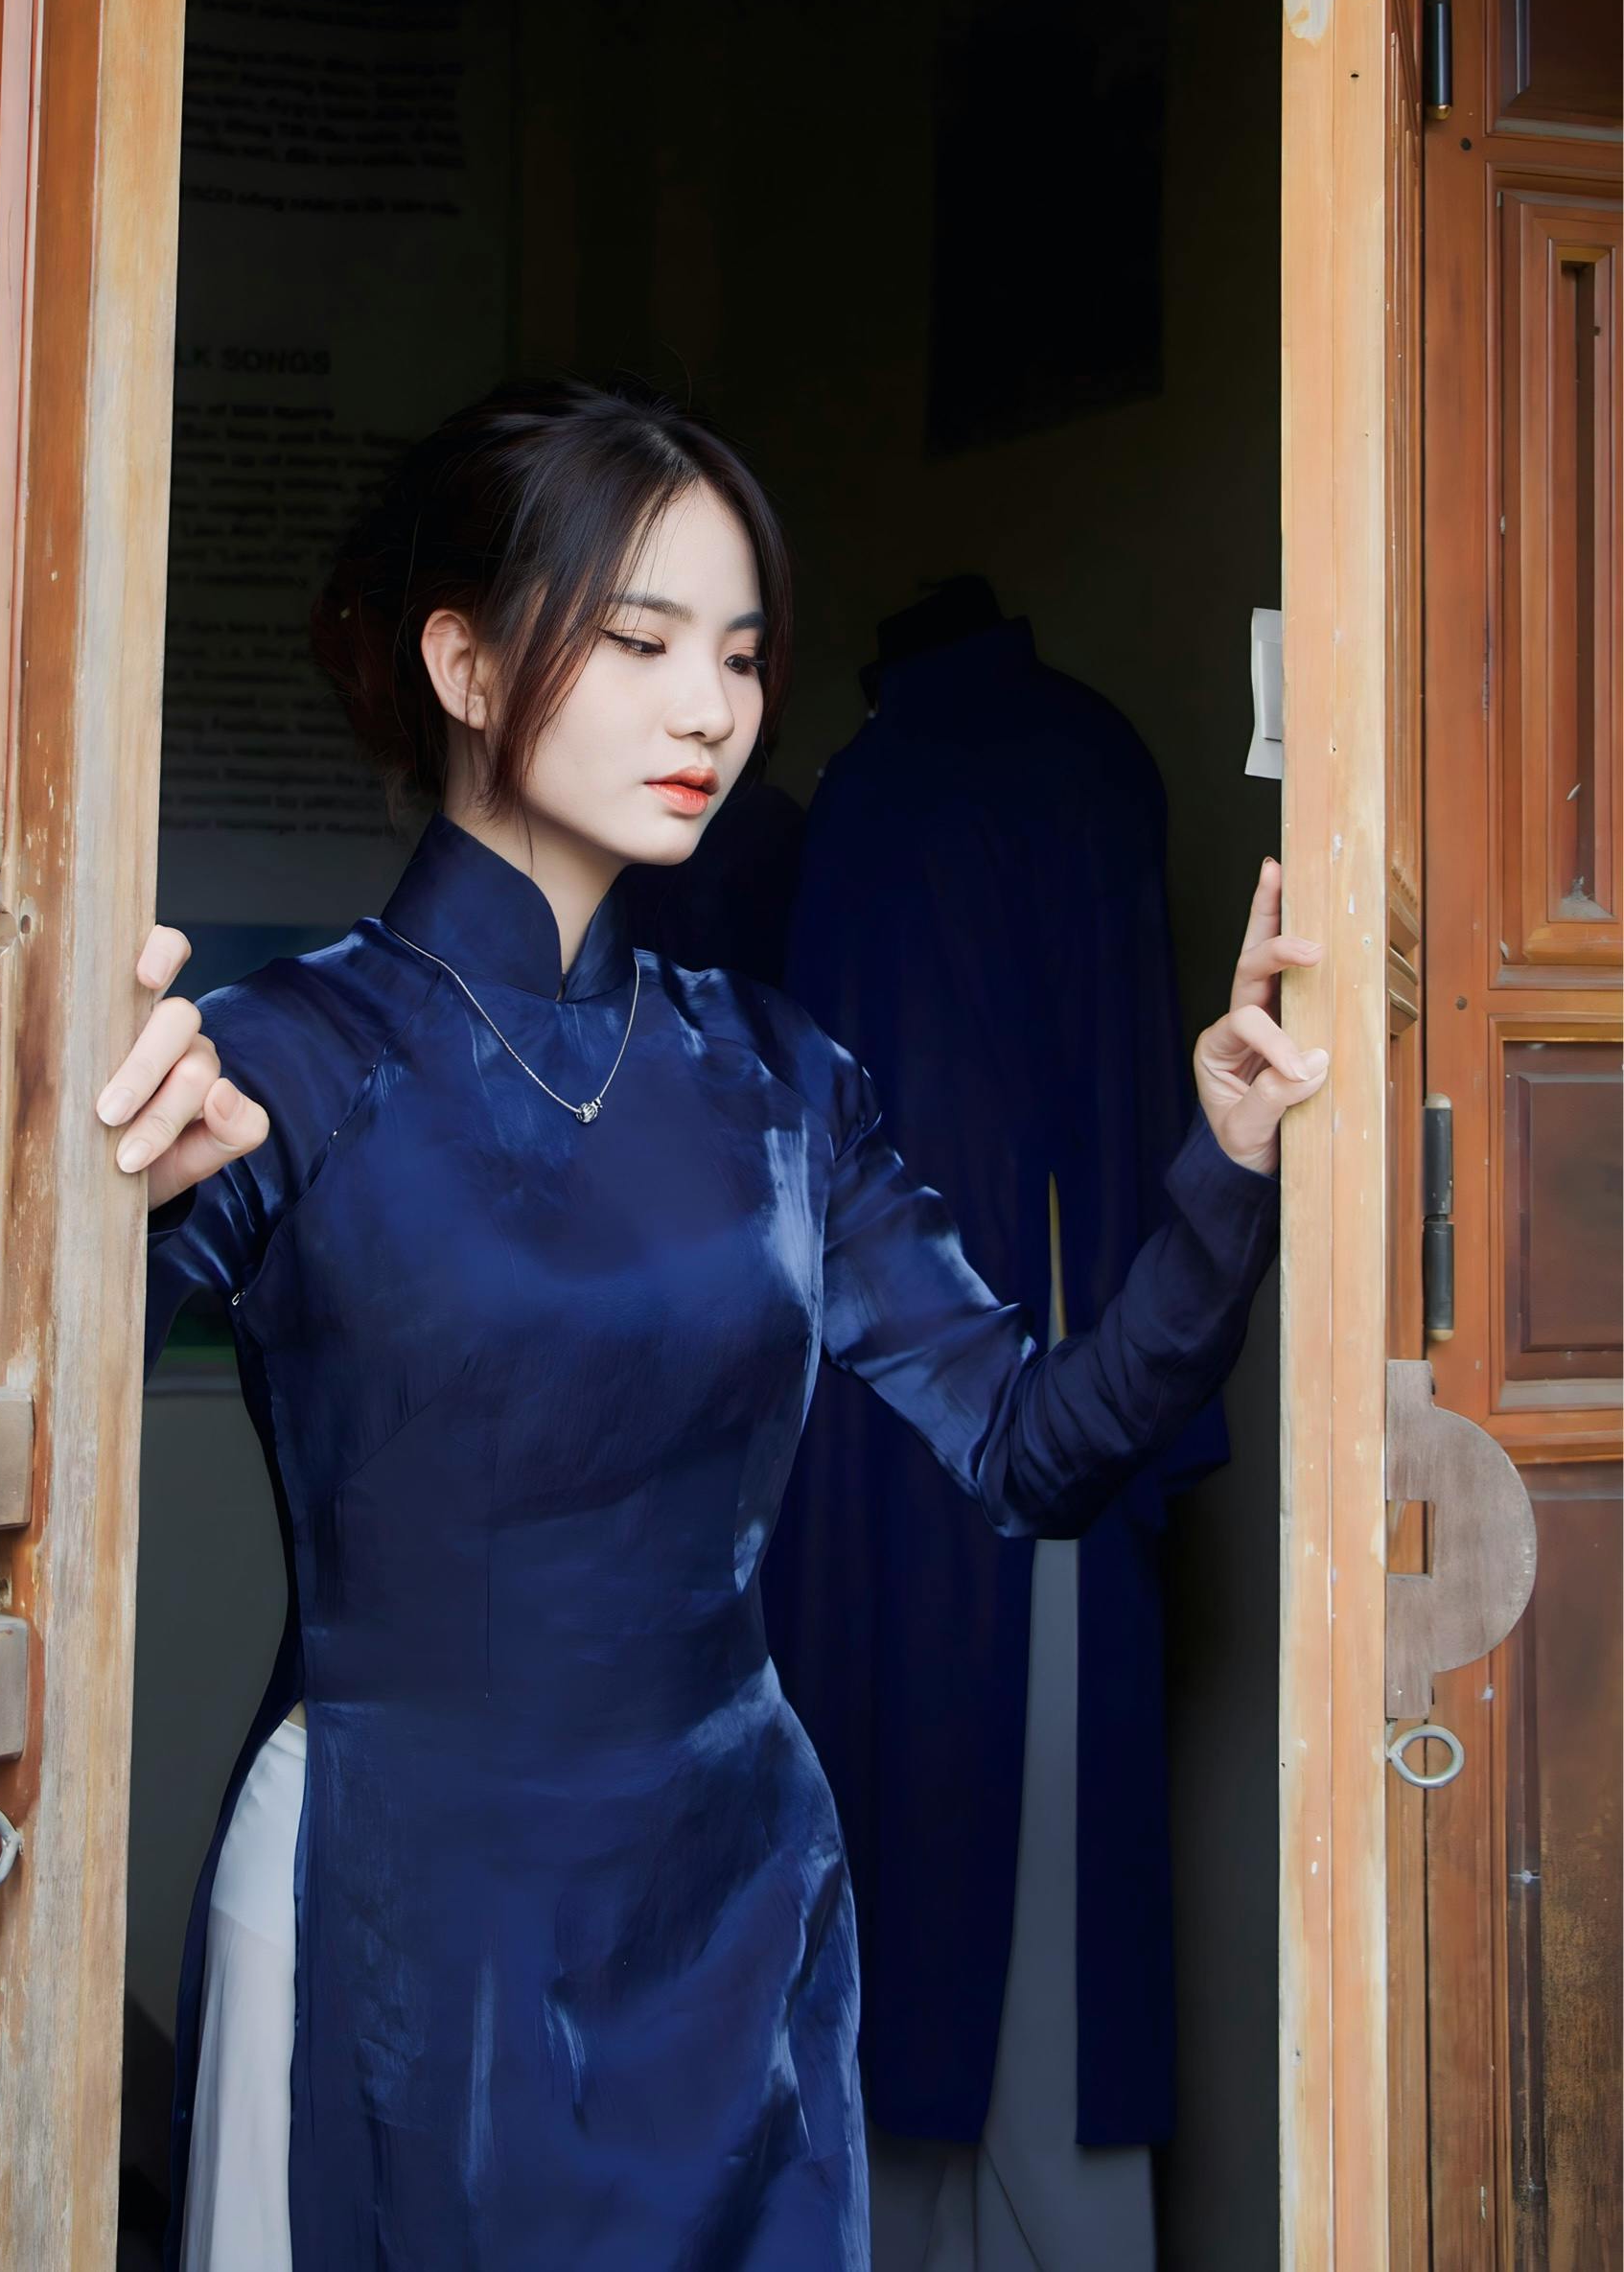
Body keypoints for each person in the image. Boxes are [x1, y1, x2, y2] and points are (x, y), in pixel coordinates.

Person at [99, 377, 1326, 2272]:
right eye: (640, 640)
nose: (708, 711)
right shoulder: (284, 1061)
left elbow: (1035, 1448)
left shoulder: (773, 1079)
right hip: (397, 1899)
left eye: (741, 658)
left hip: (739, 1910)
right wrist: (81, 1195)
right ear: (463, 661)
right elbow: (4, 1407)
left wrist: (1222, 1162)